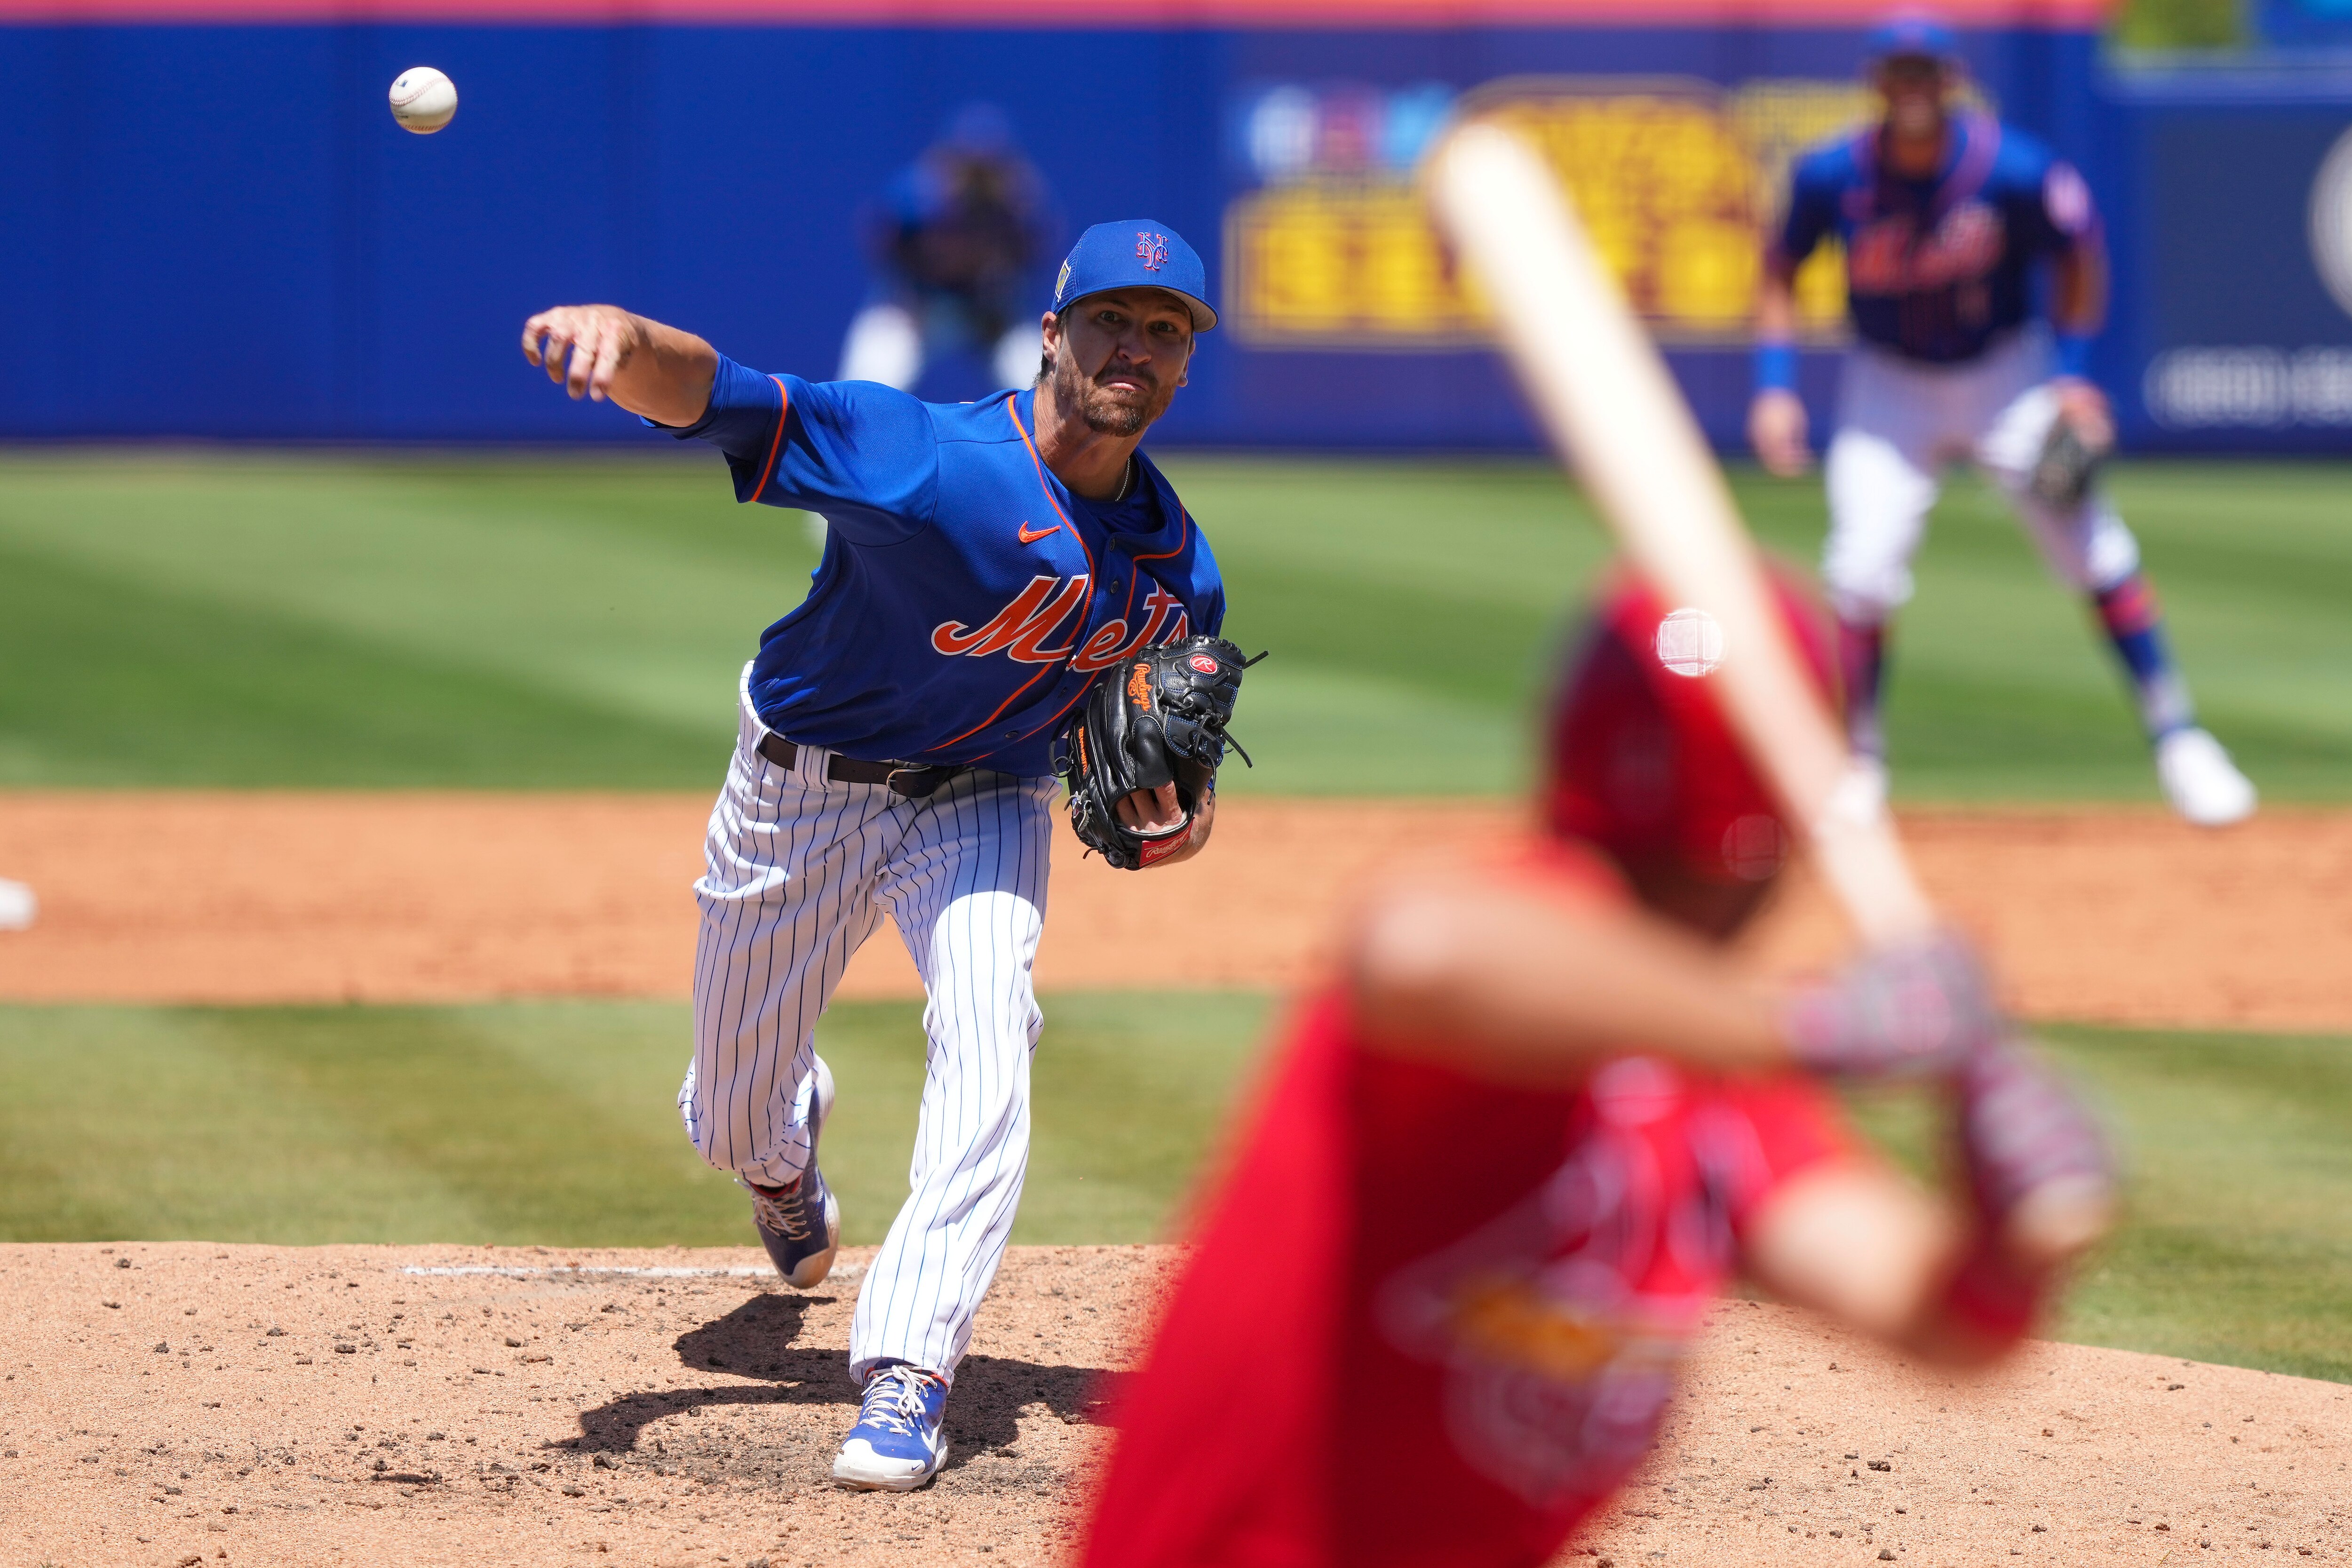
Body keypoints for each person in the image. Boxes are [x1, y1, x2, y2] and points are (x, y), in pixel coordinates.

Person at [1076, 573, 2115, 1567]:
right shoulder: (1514, 960)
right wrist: (1810, 1025)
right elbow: (1414, 946)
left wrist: (2012, 1245)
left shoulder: (1711, 1070)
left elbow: (1928, 1316)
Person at [519, 219, 1225, 1492]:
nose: (1139, 346)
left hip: (982, 803)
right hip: (799, 792)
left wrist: (1174, 808)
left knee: (990, 1026)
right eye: (1114, 319)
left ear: (1183, 369)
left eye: (1166, 331)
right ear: (1053, 334)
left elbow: (1157, 761)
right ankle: (784, 1161)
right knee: (730, 1112)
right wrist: (624, 345)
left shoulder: (1180, 573)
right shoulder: (932, 457)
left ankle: (909, 1370)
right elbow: (728, 396)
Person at [1748, 14, 2255, 827]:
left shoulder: (2011, 171)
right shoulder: (1831, 173)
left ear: (1951, 81)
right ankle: (1860, 763)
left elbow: (2081, 254)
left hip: (2003, 375)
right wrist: (1774, 386)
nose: (1913, 88)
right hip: (1889, 386)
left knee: (2095, 548)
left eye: (1927, 72)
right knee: (1862, 568)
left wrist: (2074, 381)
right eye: (1899, 72)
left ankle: (2181, 740)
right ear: (1877, 83)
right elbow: (1779, 271)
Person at [838, 103, 1060, 396]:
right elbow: (880, 235)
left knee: (1040, 383)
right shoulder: (919, 196)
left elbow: (1034, 253)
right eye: (971, 166)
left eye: (990, 167)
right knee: (866, 384)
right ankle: (845, 434)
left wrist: (1002, 299)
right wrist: (904, 293)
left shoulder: (1020, 208)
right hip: (918, 305)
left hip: (987, 315)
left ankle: (1053, 439)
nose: (979, 178)